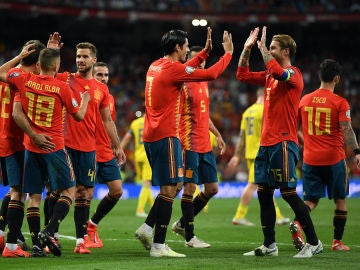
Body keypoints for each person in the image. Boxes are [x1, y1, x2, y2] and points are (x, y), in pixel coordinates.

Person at [134, 27, 233, 257]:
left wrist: (205, 53)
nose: (188, 49)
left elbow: (187, 68)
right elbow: (210, 75)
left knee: (170, 188)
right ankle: (158, 245)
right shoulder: (173, 70)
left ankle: (147, 228)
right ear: (178, 47)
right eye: (186, 46)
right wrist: (227, 54)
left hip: (152, 134)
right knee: (170, 189)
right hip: (167, 135)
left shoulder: (155, 65)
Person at [236, 26, 322, 258]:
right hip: (265, 144)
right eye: (268, 47)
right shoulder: (268, 76)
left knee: (288, 192)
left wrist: (262, 48)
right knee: (264, 193)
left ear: (285, 51)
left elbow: (278, 73)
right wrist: (246, 49)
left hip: (284, 142)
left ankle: (314, 242)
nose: (268, 50)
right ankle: (269, 244)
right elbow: (242, 74)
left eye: (272, 47)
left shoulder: (294, 75)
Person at [0, 47, 90, 257]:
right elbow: (78, 116)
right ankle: (48, 231)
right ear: (57, 66)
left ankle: (21, 245)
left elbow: (2, 72)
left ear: (38, 64)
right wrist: (84, 99)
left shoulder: (23, 79)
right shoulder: (62, 87)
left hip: (31, 147)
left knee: (32, 196)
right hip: (54, 146)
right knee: (68, 191)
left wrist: (20, 56)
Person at [48, 33, 126, 254]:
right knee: (60, 191)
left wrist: (117, 145)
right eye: (78, 56)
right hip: (65, 145)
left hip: (89, 148)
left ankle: (80, 241)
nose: (80, 60)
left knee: (84, 193)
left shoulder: (101, 89)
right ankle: (50, 234)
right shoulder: (65, 79)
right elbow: (46, 73)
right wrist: (52, 49)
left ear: (93, 60)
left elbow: (108, 120)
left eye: (84, 57)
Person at [295, 59, 360, 251]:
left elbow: (293, 128)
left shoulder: (304, 99)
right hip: (334, 159)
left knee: (310, 201)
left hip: (310, 159)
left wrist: (305, 143)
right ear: (337, 78)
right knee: (340, 199)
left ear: (319, 77)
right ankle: (337, 242)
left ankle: (297, 224)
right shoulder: (340, 102)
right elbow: (347, 129)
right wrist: (357, 151)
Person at [171, 45, 226, 248]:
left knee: (212, 188)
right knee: (189, 188)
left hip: (205, 144)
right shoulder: (183, 84)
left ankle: (181, 224)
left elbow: (204, 114)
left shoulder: (203, 82)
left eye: (202, 60)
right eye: (196, 59)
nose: (200, 63)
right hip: (189, 143)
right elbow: (176, 115)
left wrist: (217, 134)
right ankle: (190, 237)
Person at [0, 40, 45, 258]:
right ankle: (11, 246)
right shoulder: (26, 80)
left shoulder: (10, 74)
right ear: (38, 63)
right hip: (15, 141)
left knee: (13, 191)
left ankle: (2, 234)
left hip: (4, 139)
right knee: (19, 193)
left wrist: (18, 57)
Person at [228, 88, 290, 226]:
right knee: (257, 185)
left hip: (250, 152)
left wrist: (237, 155)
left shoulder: (247, 112)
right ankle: (240, 216)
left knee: (264, 184)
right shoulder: (265, 111)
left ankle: (276, 216)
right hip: (261, 153)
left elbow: (242, 135)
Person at [85, 61, 124, 249]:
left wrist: (117, 146)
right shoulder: (88, 94)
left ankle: (92, 224)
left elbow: (109, 123)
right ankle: (80, 234)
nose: (104, 78)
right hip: (88, 149)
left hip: (106, 150)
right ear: (92, 75)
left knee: (117, 190)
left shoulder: (109, 97)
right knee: (86, 193)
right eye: (99, 74)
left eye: (106, 75)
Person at [120, 109, 154, 218]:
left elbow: (127, 138)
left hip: (137, 156)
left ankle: (154, 206)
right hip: (148, 156)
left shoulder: (135, 123)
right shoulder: (152, 121)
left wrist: (119, 150)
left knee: (144, 183)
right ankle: (140, 210)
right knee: (146, 184)